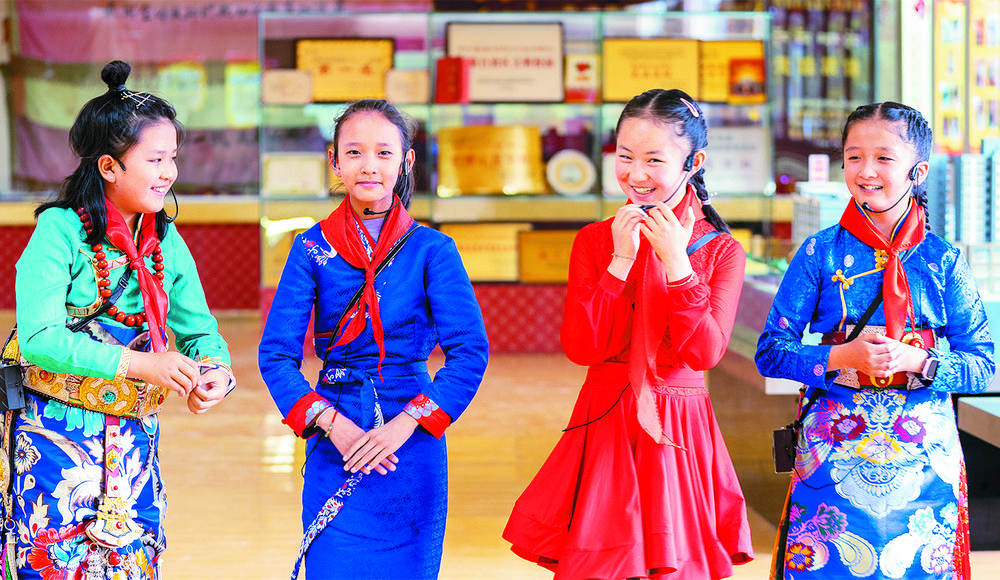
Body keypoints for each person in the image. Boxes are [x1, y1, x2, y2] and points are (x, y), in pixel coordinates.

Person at [503, 88, 754, 580]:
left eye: (654, 160)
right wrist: (620, 261)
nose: (636, 175)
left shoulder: (721, 251)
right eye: (625, 157)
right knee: (603, 562)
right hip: (607, 417)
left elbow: (704, 352)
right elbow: (583, 347)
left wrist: (678, 265)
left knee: (674, 563)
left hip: (677, 424)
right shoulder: (595, 240)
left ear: (694, 162)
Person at [1, 60, 236, 579]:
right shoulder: (59, 231)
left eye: (172, 158)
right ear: (109, 167)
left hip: (134, 439)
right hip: (52, 433)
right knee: (52, 558)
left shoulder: (165, 239)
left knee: (132, 559)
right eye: (155, 159)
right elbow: (39, 339)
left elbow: (200, 331)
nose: (169, 172)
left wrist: (215, 372)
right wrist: (138, 364)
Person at [754, 102, 995, 579]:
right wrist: (840, 355)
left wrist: (921, 361)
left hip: (925, 457)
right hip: (831, 452)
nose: (866, 171)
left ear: (918, 171)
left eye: (883, 158)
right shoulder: (819, 251)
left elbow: (982, 366)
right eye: (854, 157)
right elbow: (771, 352)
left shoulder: (944, 259)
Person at [258, 99, 489, 580]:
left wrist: (406, 423)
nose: (369, 166)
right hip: (334, 435)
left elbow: (469, 353)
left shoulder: (433, 250)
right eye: (354, 152)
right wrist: (332, 424)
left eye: (384, 153)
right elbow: (276, 355)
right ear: (334, 161)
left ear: (406, 161)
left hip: (413, 440)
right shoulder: (310, 248)